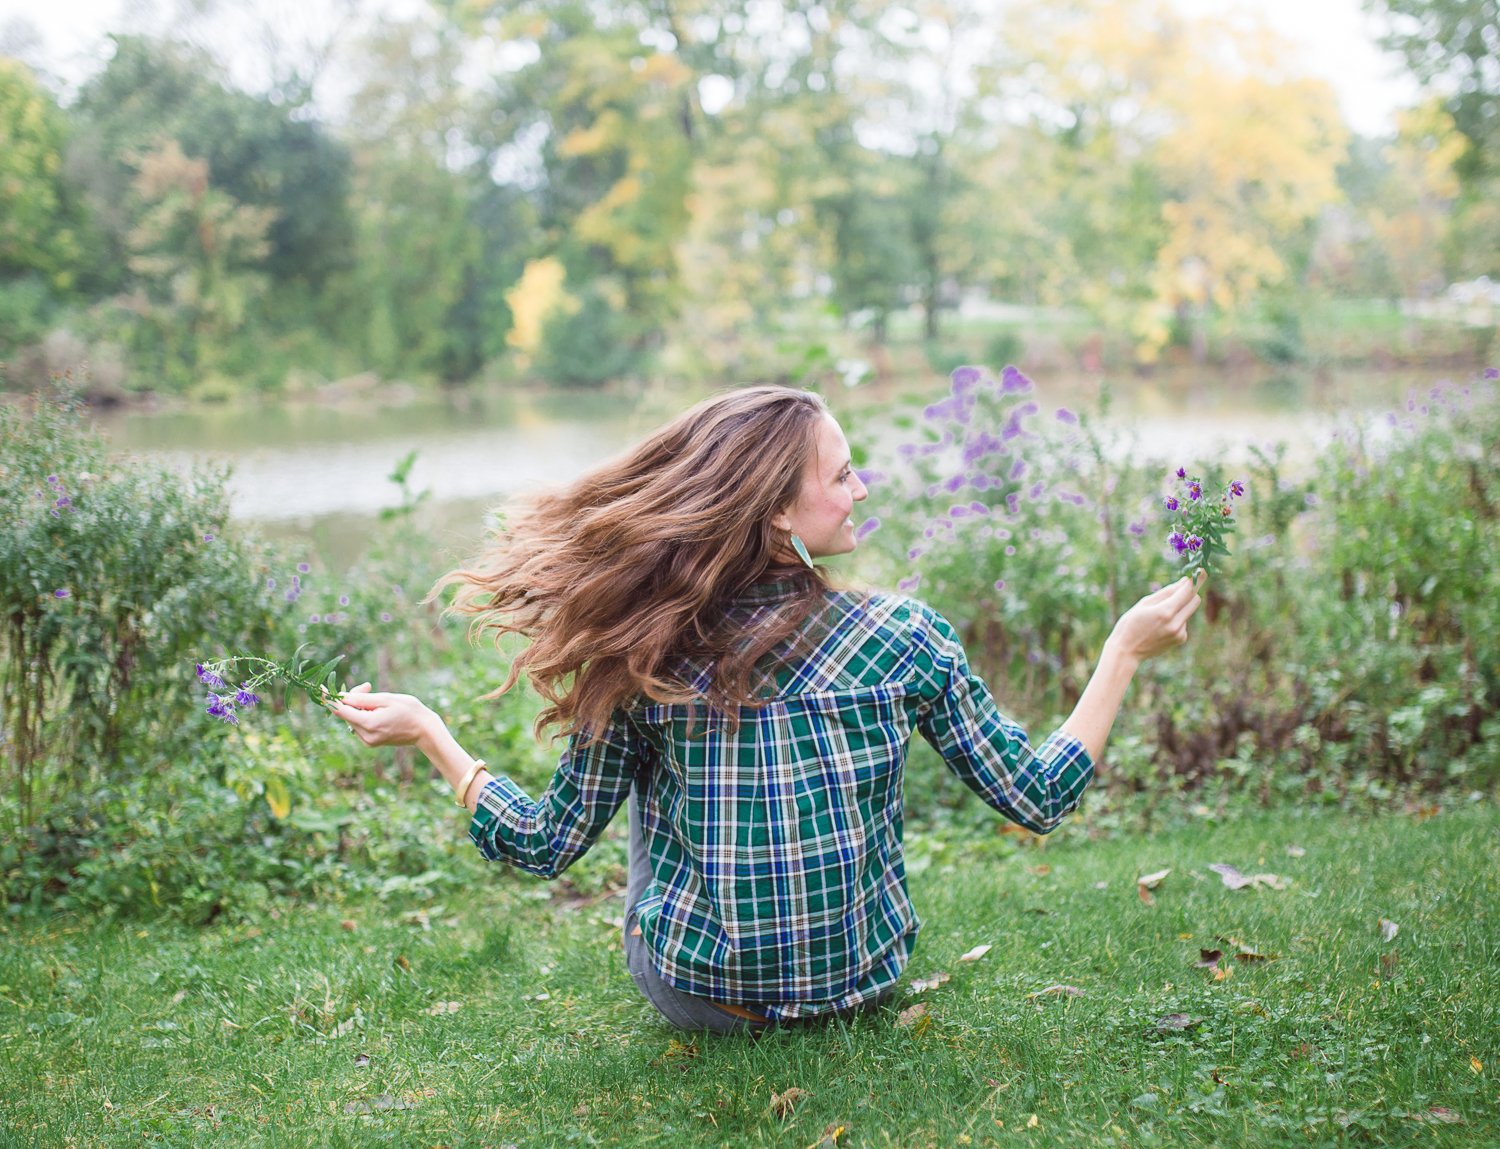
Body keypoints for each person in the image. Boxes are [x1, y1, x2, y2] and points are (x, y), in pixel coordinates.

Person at [332, 385, 1201, 1033]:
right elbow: (1038, 796)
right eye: (843, 473)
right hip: (861, 985)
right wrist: (1121, 649)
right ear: (778, 508)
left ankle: (723, 934)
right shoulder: (905, 635)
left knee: (658, 769)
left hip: (703, 1001)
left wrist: (429, 733)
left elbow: (545, 845)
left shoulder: (649, 654)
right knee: (689, 754)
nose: (860, 489)